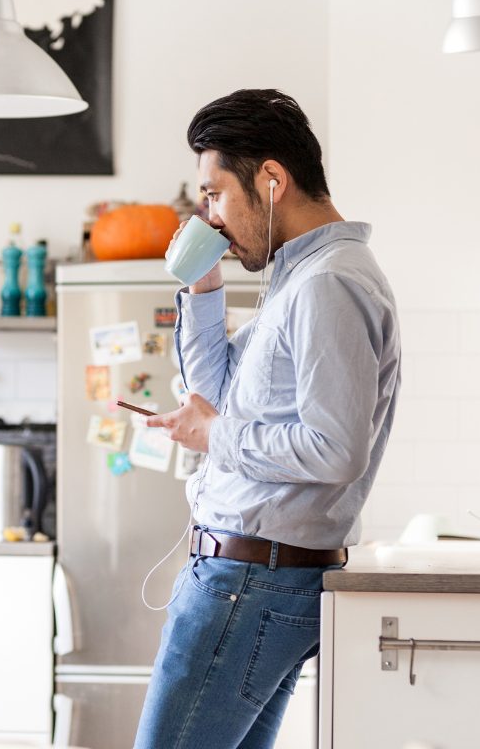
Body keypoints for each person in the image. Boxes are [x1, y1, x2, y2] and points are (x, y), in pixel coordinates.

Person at [134, 88, 401, 748]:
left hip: (246, 582)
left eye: (215, 194)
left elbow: (336, 449)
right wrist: (201, 284)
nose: (210, 216)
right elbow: (215, 392)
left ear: (271, 180)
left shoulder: (326, 285)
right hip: (248, 579)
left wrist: (213, 437)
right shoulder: (298, 279)